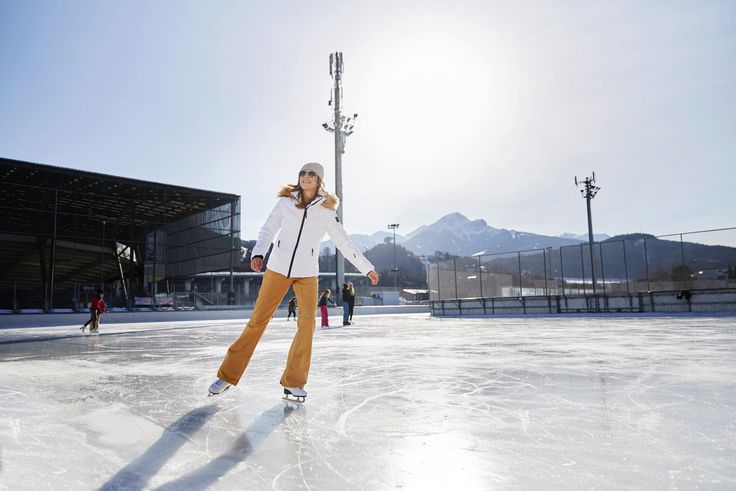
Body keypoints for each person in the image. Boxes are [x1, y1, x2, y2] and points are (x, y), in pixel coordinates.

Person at [208, 162, 380, 401]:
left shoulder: (327, 210)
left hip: (307, 273)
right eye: (302, 173)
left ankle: (293, 382)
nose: (306, 176)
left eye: (312, 174)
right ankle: (227, 375)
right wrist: (258, 252)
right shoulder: (285, 202)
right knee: (258, 321)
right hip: (277, 268)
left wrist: (366, 268)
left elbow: (344, 242)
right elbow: (268, 229)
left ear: (320, 180)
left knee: (307, 324)